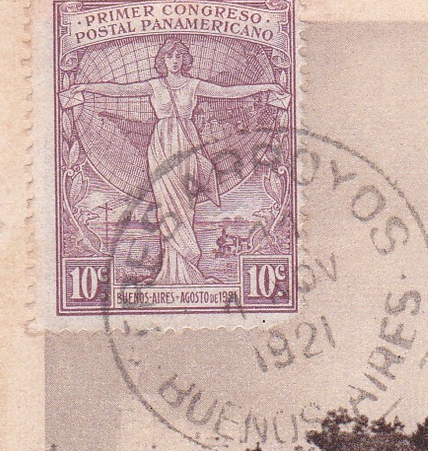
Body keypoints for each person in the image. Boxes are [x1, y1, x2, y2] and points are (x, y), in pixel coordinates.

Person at [61, 38, 288, 284]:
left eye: (179, 57)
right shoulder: (154, 85)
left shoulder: (193, 85)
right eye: (170, 57)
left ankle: (188, 270)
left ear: (185, 60)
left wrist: (267, 86)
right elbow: (118, 89)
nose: (175, 61)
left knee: (183, 205)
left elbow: (228, 93)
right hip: (161, 147)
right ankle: (169, 272)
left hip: (187, 147)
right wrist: (84, 86)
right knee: (166, 207)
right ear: (163, 61)